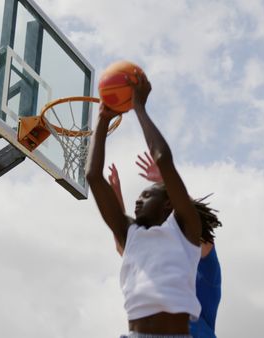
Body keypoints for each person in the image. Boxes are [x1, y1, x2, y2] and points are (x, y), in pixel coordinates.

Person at [86, 70, 221, 337]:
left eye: (147, 195)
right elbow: (93, 175)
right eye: (138, 196)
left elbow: (163, 158)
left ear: (169, 205)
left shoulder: (185, 232)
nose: (139, 200)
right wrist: (102, 121)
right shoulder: (133, 235)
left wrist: (138, 107)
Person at [107, 153, 222, 338]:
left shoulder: (198, 257)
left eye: (146, 196)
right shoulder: (156, 256)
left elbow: (195, 224)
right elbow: (125, 247)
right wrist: (115, 202)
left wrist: (166, 182)